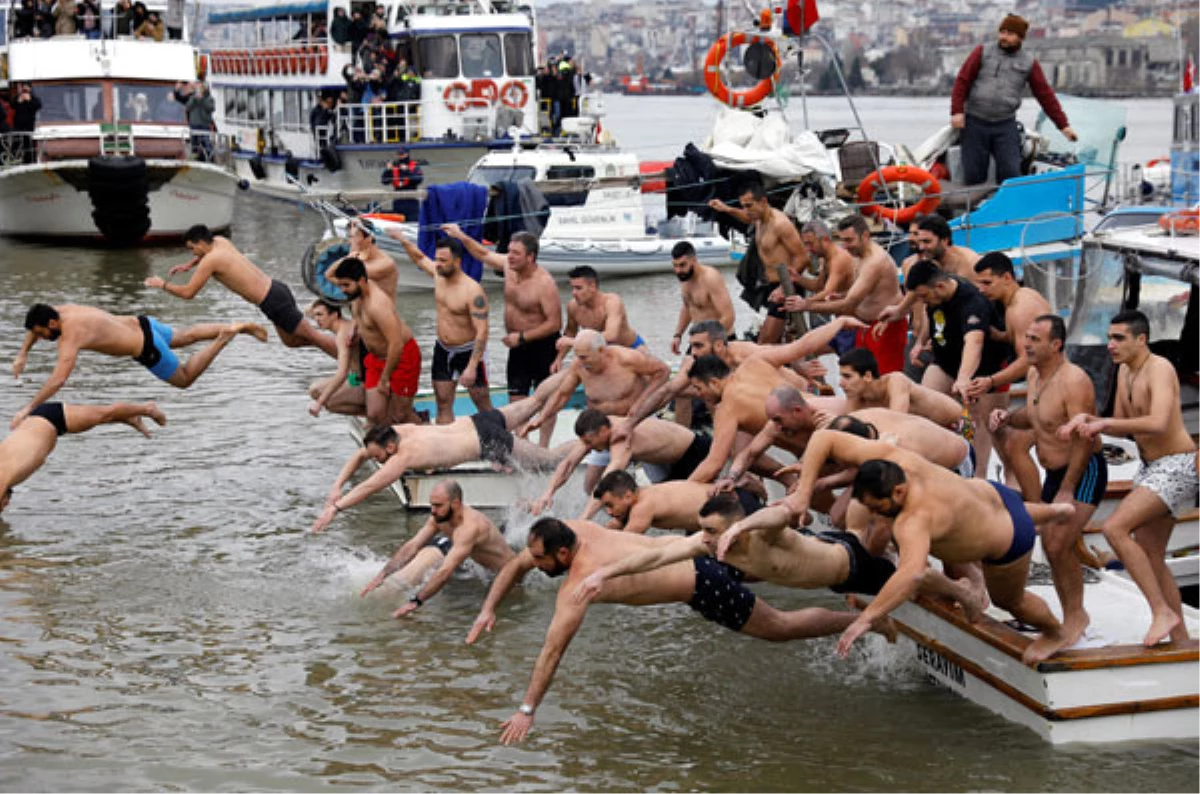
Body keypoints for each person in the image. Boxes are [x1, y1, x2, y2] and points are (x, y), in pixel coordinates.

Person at [469, 517, 891, 745]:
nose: (535, 565)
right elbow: (516, 564)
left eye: (542, 560)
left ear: (561, 553)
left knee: (778, 626)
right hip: (694, 547)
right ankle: (854, 554)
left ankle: (867, 619)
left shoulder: (578, 585)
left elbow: (551, 652)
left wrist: (527, 710)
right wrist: (488, 608)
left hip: (702, 585)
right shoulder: (574, 529)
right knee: (787, 566)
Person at [777, 430, 1075, 662]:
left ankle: (1055, 632)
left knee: (1011, 602)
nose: (879, 515)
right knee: (1007, 511)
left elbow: (913, 574)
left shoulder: (914, 519)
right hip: (992, 496)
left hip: (1009, 540)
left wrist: (867, 618)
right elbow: (824, 438)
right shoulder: (895, 457)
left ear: (898, 491)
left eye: (880, 508)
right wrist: (804, 493)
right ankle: (1055, 511)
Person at [578, 493, 984, 617]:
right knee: (889, 550)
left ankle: (964, 590)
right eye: (704, 529)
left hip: (848, 562)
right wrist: (604, 575)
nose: (707, 538)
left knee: (910, 577)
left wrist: (743, 527)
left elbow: (782, 513)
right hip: (827, 558)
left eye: (714, 530)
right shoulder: (705, 543)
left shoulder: (764, 534)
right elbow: (651, 558)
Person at [1059, 310, 1198, 647]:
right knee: (1151, 555)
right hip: (1150, 467)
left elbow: (1159, 423)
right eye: (1108, 338)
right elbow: (1122, 423)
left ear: (1141, 339)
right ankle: (1180, 640)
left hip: (1178, 464)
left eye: (1119, 338)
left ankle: (1161, 613)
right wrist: (1086, 420)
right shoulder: (1124, 371)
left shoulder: (1159, 368)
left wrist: (1103, 425)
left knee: (1114, 529)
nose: (1110, 345)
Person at [310, 378, 573, 532]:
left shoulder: (403, 457)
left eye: (380, 458)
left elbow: (369, 486)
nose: (380, 462)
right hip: (477, 421)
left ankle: (586, 443)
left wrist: (336, 507)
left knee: (551, 461)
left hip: (488, 441)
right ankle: (573, 371)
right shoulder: (401, 430)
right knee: (536, 400)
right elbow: (360, 455)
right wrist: (337, 486)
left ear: (390, 448)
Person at [988, 314, 1106, 650]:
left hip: (1083, 471)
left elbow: (1083, 440)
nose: (1026, 344)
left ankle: (1076, 616)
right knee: (1055, 546)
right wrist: (1007, 417)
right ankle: (1073, 610)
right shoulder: (1036, 374)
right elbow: (1039, 417)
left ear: (1056, 345)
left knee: (1056, 545)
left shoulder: (1074, 381)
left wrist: (1069, 486)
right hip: (1055, 473)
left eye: (1035, 339)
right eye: (1026, 337)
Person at [12, 304, 265, 427]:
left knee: (185, 378)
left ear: (52, 324)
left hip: (146, 347)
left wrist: (29, 407)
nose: (41, 338)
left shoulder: (69, 337)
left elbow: (58, 380)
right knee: (187, 335)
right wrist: (23, 354)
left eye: (42, 333)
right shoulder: (63, 310)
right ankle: (236, 326)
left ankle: (223, 339)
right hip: (142, 324)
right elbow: (35, 326)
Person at [615, 318, 834, 439]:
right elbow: (667, 391)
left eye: (699, 346)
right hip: (763, 413)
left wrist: (800, 366)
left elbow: (786, 349)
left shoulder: (743, 353)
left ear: (719, 345)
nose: (694, 352)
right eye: (691, 346)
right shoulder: (695, 363)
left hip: (802, 400)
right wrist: (630, 423)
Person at [441, 225, 562, 443]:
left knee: (546, 399)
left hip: (542, 345)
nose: (510, 256)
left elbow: (555, 324)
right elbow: (483, 253)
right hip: (517, 347)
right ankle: (523, 446)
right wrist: (460, 235)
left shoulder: (544, 284)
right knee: (516, 400)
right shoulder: (508, 266)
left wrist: (523, 336)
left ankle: (543, 446)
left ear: (531, 257)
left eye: (516, 253)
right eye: (509, 251)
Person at [146, 225, 336, 357]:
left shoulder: (210, 261)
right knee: (291, 342)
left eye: (192, 249)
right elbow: (205, 256)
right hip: (277, 289)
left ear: (200, 243)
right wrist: (189, 265)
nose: (193, 254)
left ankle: (352, 361)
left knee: (315, 337)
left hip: (272, 300)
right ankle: (340, 349)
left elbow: (188, 293)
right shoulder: (220, 241)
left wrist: (162, 285)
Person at [902, 260, 1008, 475]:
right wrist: (920, 342)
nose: (922, 301)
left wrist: (963, 378)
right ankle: (932, 466)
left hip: (982, 368)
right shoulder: (935, 296)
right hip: (944, 362)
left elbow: (974, 342)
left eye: (924, 296)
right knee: (924, 405)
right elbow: (929, 315)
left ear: (939, 287)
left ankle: (977, 476)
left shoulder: (972, 302)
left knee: (977, 423)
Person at [951, 14, 1077, 186]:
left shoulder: (1028, 63)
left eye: (1010, 33)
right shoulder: (982, 52)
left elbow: (1045, 95)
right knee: (973, 174)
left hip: (1005, 125)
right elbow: (962, 81)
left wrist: (1063, 126)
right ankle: (976, 210)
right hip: (974, 123)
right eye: (1002, 32)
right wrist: (957, 111)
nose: (1004, 36)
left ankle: (1009, 210)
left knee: (1011, 172)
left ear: (1020, 37)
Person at [359, 480, 516, 615]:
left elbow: (445, 571)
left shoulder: (470, 527)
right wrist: (383, 575)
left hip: (512, 577)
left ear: (455, 503)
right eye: (431, 504)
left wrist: (417, 601)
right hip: (486, 571)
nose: (432, 510)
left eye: (438, 505)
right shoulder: (439, 517)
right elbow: (413, 545)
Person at [686, 357, 848, 484]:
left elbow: (714, 463)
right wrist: (731, 478)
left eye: (699, 388)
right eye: (772, 420)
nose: (775, 426)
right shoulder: (774, 424)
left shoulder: (829, 413)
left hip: (852, 445)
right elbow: (748, 454)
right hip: (821, 456)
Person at [530, 409, 717, 517]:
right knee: (665, 509)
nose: (588, 448)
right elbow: (569, 463)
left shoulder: (621, 440)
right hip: (667, 462)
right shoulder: (596, 428)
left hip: (695, 454)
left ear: (604, 431)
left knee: (696, 509)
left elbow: (607, 482)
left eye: (589, 442)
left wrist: (583, 520)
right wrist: (548, 493)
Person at [391, 234, 493, 423]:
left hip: (468, 351)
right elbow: (420, 258)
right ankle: (445, 447)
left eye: (443, 260)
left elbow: (483, 331)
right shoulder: (439, 275)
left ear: (457, 261)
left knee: (482, 402)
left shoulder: (472, 291)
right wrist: (402, 240)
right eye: (437, 259)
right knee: (443, 402)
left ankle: (499, 443)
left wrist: (471, 367)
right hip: (443, 349)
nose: (437, 264)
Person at [787, 214, 906, 374]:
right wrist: (841, 296)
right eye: (843, 240)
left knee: (882, 383)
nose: (845, 246)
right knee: (861, 380)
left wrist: (806, 305)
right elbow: (858, 293)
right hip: (861, 326)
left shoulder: (875, 262)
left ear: (865, 235)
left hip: (884, 327)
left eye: (849, 240)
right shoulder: (856, 255)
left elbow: (850, 303)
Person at [0, 401, 166, 513]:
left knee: (104, 414)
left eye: (4, 505)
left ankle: (146, 408)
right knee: (101, 418)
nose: (6, 507)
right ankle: (128, 418)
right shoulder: (10, 472)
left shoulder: (4, 477)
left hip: (50, 418)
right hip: (44, 422)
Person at [709, 183, 808, 344]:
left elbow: (802, 258)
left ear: (763, 201)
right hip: (770, 287)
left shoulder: (780, 224)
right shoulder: (758, 220)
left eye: (749, 206)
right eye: (744, 206)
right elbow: (747, 217)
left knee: (764, 342)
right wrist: (727, 209)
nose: (747, 210)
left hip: (786, 287)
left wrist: (783, 287)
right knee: (776, 343)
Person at [327, 257, 421, 425]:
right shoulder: (356, 294)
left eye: (346, 285)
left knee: (401, 415)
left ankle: (423, 430)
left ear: (362, 281)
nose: (342, 290)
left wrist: (385, 379)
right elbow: (329, 275)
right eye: (341, 285)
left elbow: (396, 344)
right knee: (375, 414)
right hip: (376, 359)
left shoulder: (378, 305)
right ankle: (388, 436)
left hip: (402, 357)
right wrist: (351, 253)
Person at [527, 331, 669, 437]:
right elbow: (562, 395)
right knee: (593, 475)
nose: (580, 362)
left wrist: (641, 403)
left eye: (584, 357)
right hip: (602, 428)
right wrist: (542, 418)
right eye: (577, 357)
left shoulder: (627, 358)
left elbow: (663, 371)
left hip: (637, 420)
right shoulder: (578, 366)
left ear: (601, 350)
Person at [591, 470, 762, 535]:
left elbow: (624, 543)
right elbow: (613, 529)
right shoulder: (644, 494)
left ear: (627, 496)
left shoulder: (642, 506)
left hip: (734, 508)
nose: (609, 512)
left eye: (610, 505)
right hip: (729, 503)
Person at [837, 348, 968, 430]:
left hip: (959, 425)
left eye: (847, 377)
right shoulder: (855, 394)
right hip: (931, 432)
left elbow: (897, 423)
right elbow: (849, 430)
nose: (840, 383)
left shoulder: (896, 381)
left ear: (867, 376)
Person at [552, 265, 646, 372]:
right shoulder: (573, 307)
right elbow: (570, 332)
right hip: (601, 354)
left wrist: (574, 342)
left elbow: (611, 335)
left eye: (578, 288)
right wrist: (559, 359)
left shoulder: (612, 302)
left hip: (630, 348)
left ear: (592, 287)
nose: (573, 293)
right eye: (572, 288)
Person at [669, 241, 735, 354]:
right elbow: (688, 307)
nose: (678, 270)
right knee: (686, 370)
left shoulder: (710, 278)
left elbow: (728, 316)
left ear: (694, 260)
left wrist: (710, 340)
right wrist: (678, 335)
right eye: (675, 265)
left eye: (682, 265)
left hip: (719, 340)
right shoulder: (685, 279)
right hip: (699, 341)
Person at [307, 300, 366, 419]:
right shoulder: (349, 323)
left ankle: (370, 414)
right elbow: (307, 311)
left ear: (334, 315)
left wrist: (319, 403)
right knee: (314, 390)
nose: (317, 320)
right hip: (355, 377)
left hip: (363, 382)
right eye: (315, 316)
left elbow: (342, 373)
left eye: (320, 315)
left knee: (329, 403)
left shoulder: (343, 335)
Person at [333, 218, 399, 299]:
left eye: (354, 237)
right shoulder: (358, 257)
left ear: (369, 238)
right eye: (349, 237)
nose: (350, 241)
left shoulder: (385, 263)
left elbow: (348, 273)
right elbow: (330, 275)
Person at [12, 83, 41, 165]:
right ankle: (15, 159)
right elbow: (12, 105)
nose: (25, 91)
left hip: (29, 126)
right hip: (18, 126)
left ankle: (30, 161)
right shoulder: (18, 97)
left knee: (29, 144)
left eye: (26, 89)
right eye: (23, 89)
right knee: (17, 142)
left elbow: (38, 105)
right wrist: (19, 101)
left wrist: (29, 100)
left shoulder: (33, 98)